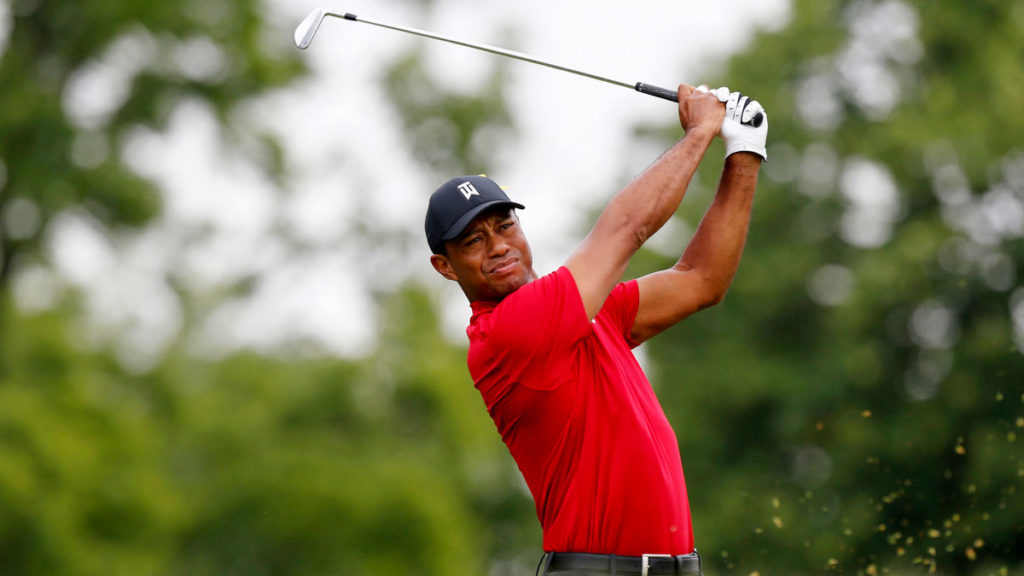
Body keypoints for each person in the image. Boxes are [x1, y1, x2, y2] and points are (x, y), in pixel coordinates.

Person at [424, 84, 767, 576]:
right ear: (446, 266)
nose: (498, 246)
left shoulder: (589, 313)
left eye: (504, 226)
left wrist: (745, 153)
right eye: (474, 241)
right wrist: (701, 132)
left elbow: (701, 281)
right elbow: (627, 227)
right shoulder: (507, 334)